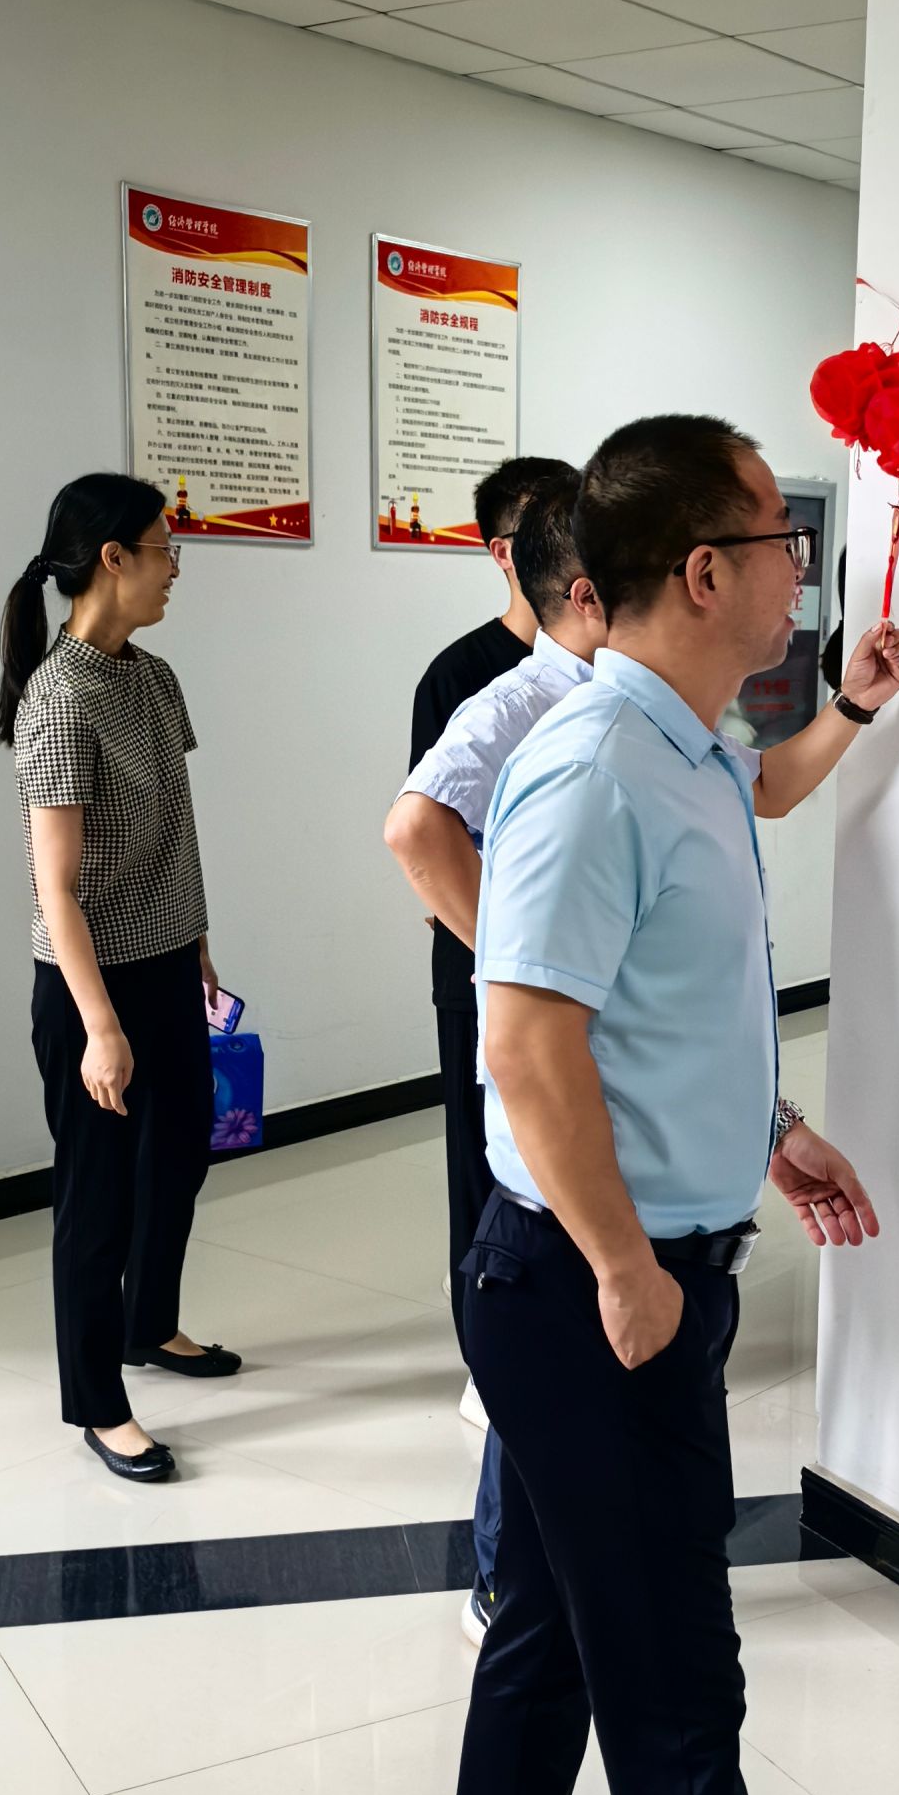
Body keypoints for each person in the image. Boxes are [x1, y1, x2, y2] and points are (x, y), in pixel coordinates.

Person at [441, 414, 899, 1795]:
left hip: (625, 1262)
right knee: (674, 1681)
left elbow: (646, 1019)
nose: (796, 569)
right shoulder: (593, 762)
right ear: (703, 572)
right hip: (586, 1288)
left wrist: (760, 1132)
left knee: (555, 1620)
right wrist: (628, 1263)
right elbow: (526, 1038)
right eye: (778, 541)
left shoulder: (688, 746)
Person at [388, 472, 899, 1645]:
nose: (792, 572)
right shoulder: (547, 715)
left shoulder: (671, 727)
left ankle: (524, 1609)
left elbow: (765, 788)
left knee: (568, 1573)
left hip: (655, 1174)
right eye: (774, 545)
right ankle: (504, 1583)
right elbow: (414, 830)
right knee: (623, 1576)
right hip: (581, 1176)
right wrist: (533, 968)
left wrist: (851, 705)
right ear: (605, 588)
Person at [0, 473, 240, 1487]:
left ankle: (151, 1325)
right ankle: (98, 1402)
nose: (175, 566)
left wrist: (196, 940)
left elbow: (175, 828)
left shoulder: (154, 678)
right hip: (89, 984)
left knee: (179, 1154)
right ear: (113, 558)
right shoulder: (57, 700)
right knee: (96, 1199)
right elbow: (54, 887)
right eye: (164, 547)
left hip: (166, 959)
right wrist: (101, 1027)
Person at [409, 456, 576, 1435]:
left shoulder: (599, 668)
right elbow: (428, 835)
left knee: (559, 1150)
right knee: (483, 1164)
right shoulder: (466, 677)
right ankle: (487, 1353)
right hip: (482, 960)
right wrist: (504, 951)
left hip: (564, 964)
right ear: (503, 553)